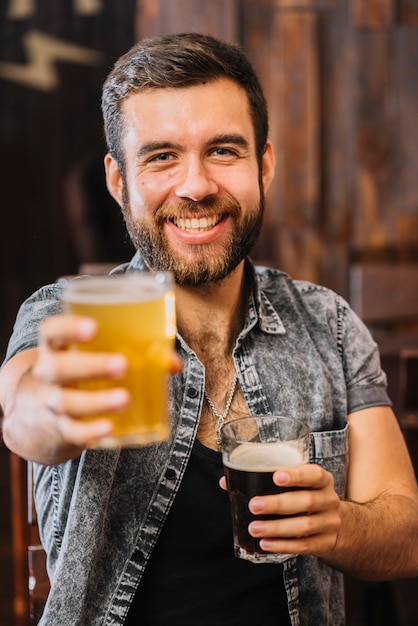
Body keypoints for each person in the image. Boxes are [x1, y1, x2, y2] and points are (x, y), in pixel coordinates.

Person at [1, 32, 418, 626]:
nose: (195, 186)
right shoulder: (68, 316)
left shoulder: (329, 324)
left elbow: (406, 532)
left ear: (264, 165)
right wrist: (54, 409)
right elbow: (23, 414)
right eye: (162, 156)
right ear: (119, 181)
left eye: (223, 151)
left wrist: (339, 525)